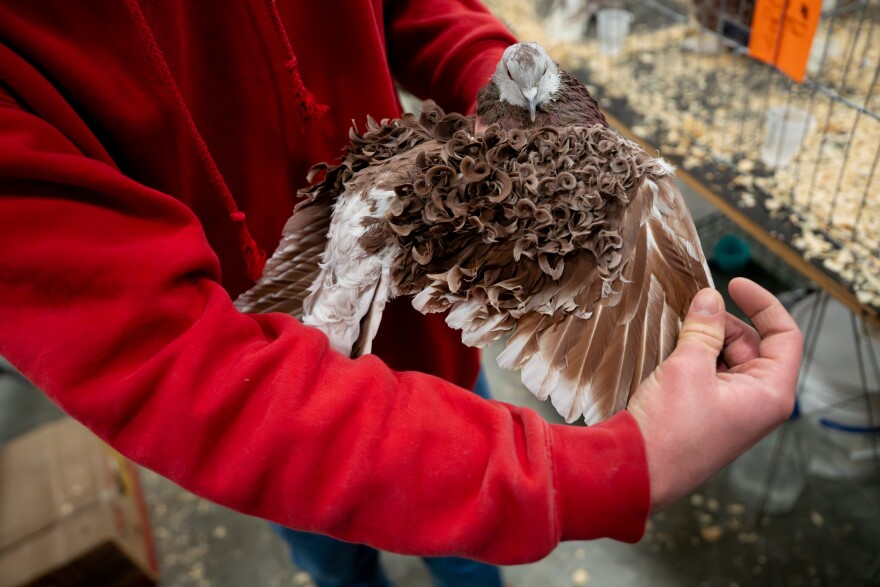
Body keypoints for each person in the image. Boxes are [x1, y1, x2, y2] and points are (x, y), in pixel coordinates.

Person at [0, 0, 802, 583]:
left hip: (428, 340)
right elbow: (163, 357)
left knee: (466, 561)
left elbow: (417, 6)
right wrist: (606, 470)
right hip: (269, 399)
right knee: (331, 554)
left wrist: (508, 83)